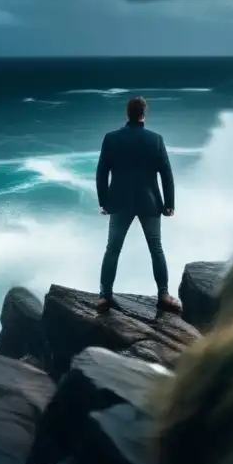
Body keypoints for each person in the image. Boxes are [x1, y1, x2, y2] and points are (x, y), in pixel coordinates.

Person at [95, 95, 182, 313]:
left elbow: (101, 173)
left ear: (128, 114)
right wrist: (169, 203)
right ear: (144, 114)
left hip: (119, 202)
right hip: (149, 202)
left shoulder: (111, 138)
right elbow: (167, 175)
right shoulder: (156, 140)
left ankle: (105, 296)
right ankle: (163, 294)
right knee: (156, 249)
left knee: (112, 249)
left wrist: (104, 201)